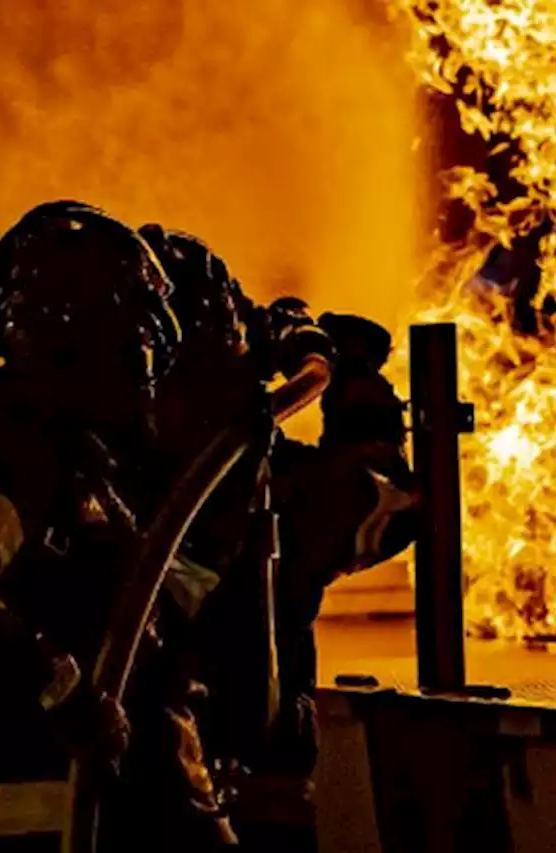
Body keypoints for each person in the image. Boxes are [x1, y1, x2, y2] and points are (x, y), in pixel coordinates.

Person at [0, 201, 238, 851]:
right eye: (143, 341)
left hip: (86, 818)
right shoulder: (7, 449)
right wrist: (57, 694)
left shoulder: (81, 465)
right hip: (25, 826)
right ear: (102, 334)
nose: (147, 368)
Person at [136, 226, 419, 852]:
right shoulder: (238, 476)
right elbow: (382, 508)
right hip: (225, 783)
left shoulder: (123, 461)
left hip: (189, 783)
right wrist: (357, 391)